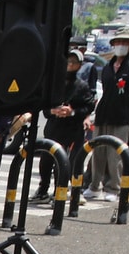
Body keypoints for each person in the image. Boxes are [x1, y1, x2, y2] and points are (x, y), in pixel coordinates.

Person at [86, 28, 129, 201]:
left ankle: (114, 187)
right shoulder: (107, 66)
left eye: (125, 43)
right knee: (98, 152)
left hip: (121, 117)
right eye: (118, 42)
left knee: (116, 154)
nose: (121, 46)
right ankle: (94, 185)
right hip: (103, 114)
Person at [36, 48, 96, 204]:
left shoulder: (82, 86)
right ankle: (42, 190)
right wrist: (52, 110)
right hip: (54, 127)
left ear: (79, 65)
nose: (70, 65)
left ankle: (60, 192)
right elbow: (43, 104)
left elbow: (88, 106)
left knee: (63, 162)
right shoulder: (54, 83)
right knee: (46, 160)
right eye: (68, 61)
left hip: (71, 130)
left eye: (74, 62)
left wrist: (72, 112)